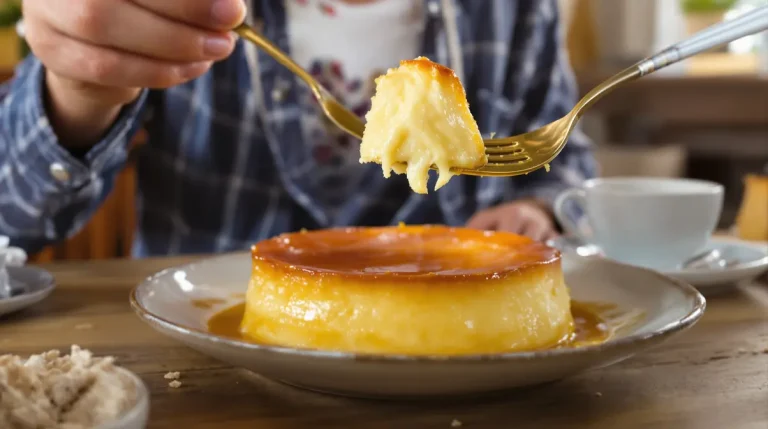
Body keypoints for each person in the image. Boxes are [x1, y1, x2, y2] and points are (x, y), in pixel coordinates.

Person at [0, 0, 596, 257]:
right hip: (214, 361)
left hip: (466, 367)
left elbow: (560, 153)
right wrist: (78, 93)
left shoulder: (516, 7)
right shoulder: (183, 8)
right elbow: (11, 219)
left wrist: (537, 207)